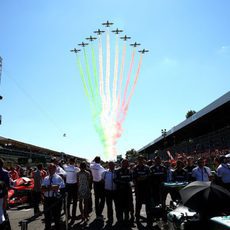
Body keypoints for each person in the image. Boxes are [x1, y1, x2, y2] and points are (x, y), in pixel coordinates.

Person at [41, 163, 65, 230]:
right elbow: (42, 189)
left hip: (55, 199)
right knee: (47, 216)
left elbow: (59, 187)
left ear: (54, 169)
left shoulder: (58, 178)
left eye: (51, 168)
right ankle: (47, 228)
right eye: (49, 168)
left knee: (56, 217)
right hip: (47, 199)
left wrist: (47, 187)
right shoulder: (46, 178)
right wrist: (52, 187)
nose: (49, 169)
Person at [132, 155, 151, 225]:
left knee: (147, 204)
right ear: (137, 160)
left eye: (141, 159)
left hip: (146, 188)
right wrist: (142, 178)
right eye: (139, 159)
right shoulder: (135, 168)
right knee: (138, 203)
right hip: (138, 189)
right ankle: (137, 216)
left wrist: (141, 178)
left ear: (143, 160)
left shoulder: (147, 168)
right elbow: (134, 178)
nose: (140, 160)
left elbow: (149, 176)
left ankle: (149, 217)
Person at [114, 159, 133, 226]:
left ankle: (126, 219)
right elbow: (115, 180)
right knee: (119, 207)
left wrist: (131, 184)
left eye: (127, 163)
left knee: (127, 206)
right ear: (122, 164)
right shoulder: (117, 171)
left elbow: (131, 180)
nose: (126, 164)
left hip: (128, 192)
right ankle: (120, 220)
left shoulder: (130, 171)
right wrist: (123, 183)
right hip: (120, 192)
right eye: (124, 163)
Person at [101, 161, 118, 226]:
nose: (111, 166)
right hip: (107, 192)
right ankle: (110, 219)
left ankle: (119, 218)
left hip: (115, 191)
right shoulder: (104, 173)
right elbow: (102, 181)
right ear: (108, 165)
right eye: (110, 165)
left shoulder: (117, 172)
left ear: (114, 165)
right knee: (109, 206)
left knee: (117, 206)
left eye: (112, 165)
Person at [63, 157, 80, 224]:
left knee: (68, 202)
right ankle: (73, 216)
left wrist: (67, 162)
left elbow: (64, 164)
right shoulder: (76, 169)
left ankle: (68, 215)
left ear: (69, 161)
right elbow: (79, 169)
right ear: (74, 162)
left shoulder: (66, 167)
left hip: (68, 186)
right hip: (74, 186)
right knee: (75, 202)